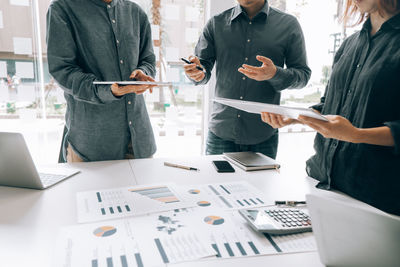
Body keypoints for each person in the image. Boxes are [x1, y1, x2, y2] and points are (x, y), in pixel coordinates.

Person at [261, 0, 400, 215]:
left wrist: (356, 134)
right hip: (322, 183)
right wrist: (296, 117)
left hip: (374, 197)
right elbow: (330, 105)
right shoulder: (349, 44)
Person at [184, 0, 311, 159]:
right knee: (213, 184)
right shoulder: (216, 23)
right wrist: (197, 73)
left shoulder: (288, 24)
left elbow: (303, 75)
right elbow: (202, 69)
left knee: (260, 185)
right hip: (221, 132)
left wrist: (274, 74)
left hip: (263, 135)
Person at [47, 0, 157, 162]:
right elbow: (63, 70)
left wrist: (143, 72)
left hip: (139, 143)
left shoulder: (136, 12)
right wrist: (108, 91)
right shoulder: (62, 9)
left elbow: (147, 59)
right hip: (92, 147)